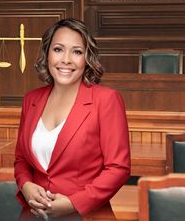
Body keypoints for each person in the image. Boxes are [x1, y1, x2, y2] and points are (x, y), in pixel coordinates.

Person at [14, 18, 130, 221]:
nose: (66, 59)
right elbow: (21, 160)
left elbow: (118, 168)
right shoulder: (30, 100)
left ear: (87, 58)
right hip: (34, 215)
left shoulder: (107, 100)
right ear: (47, 54)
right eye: (58, 49)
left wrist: (74, 203)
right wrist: (26, 185)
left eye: (77, 51)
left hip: (86, 216)